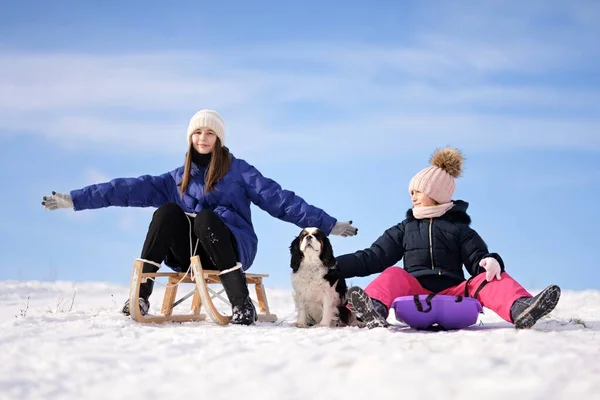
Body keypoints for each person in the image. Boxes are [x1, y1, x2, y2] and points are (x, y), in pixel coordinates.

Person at [42, 109, 358, 325]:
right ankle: (140, 298)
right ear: (190, 138)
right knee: (166, 211)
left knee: (206, 217)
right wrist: (74, 199)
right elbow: (124, 189)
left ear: (218, 139)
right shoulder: (176, 178)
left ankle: (240, 303)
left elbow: (280, 200)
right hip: (190, 253)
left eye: (209, 133)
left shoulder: (239, 171)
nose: (202, 138)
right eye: (197, 132)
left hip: (231, 246)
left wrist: (329, 224)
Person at [336, 147, 560, 330]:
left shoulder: (459, 229)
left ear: (435, 194)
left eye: (417, 191)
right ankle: (372, 310)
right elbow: (373, 257)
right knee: (394, 274)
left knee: (488, 278)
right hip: (416, 294)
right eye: (411, 192)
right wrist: (332, 266)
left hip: (455, 295)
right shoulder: (405, 229)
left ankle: (521, 307)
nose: (411, 196)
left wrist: (490, 261)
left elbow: (478, 259)